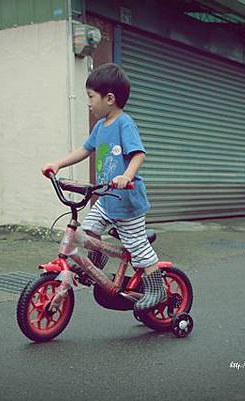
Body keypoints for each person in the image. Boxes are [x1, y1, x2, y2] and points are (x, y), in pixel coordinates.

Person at [41, 63, 165, 311]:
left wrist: (127, 176)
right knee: (88, 229)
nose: (88, 102)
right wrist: (58, 164)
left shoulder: (124, 124)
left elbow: (139, 154)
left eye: (90, 97)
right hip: (107, 199)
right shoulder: (100, 127)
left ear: (109, 99)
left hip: (127, 203)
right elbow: (84, 150)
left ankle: (157, 289)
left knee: (137, 248)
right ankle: (95, 268)